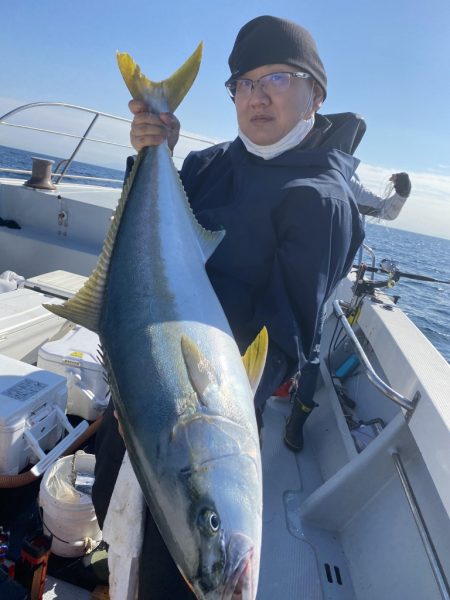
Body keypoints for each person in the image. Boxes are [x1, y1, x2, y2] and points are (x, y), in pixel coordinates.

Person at [93, 15, 365, 597]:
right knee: (111, 514)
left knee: (175, 570)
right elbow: (141, 257)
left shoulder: (322, 202)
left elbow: (285, 341)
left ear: (315, 92)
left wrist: (195, 419)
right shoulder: (204, 164)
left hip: (204, 409)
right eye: (243, 82)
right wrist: (151, 152)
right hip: (144, 386)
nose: (257, 95)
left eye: (278, 78)